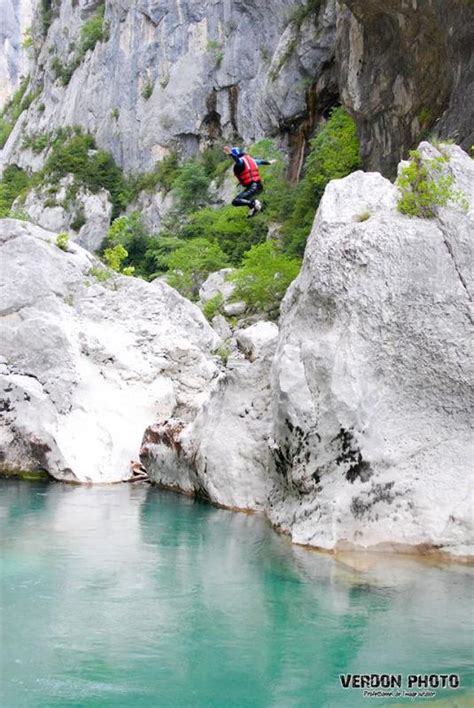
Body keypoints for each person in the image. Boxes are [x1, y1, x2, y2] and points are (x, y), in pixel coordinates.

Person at [223, 145, 275, 218]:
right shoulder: (252, 160)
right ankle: (254, 208)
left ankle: (253, 204)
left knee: (236, 201)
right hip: (259, 187)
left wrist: (231, 154)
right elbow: (262, 161)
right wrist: (269, 162)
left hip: (253, 187)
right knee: (245, 199)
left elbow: (237, 160)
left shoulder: (241, 162)